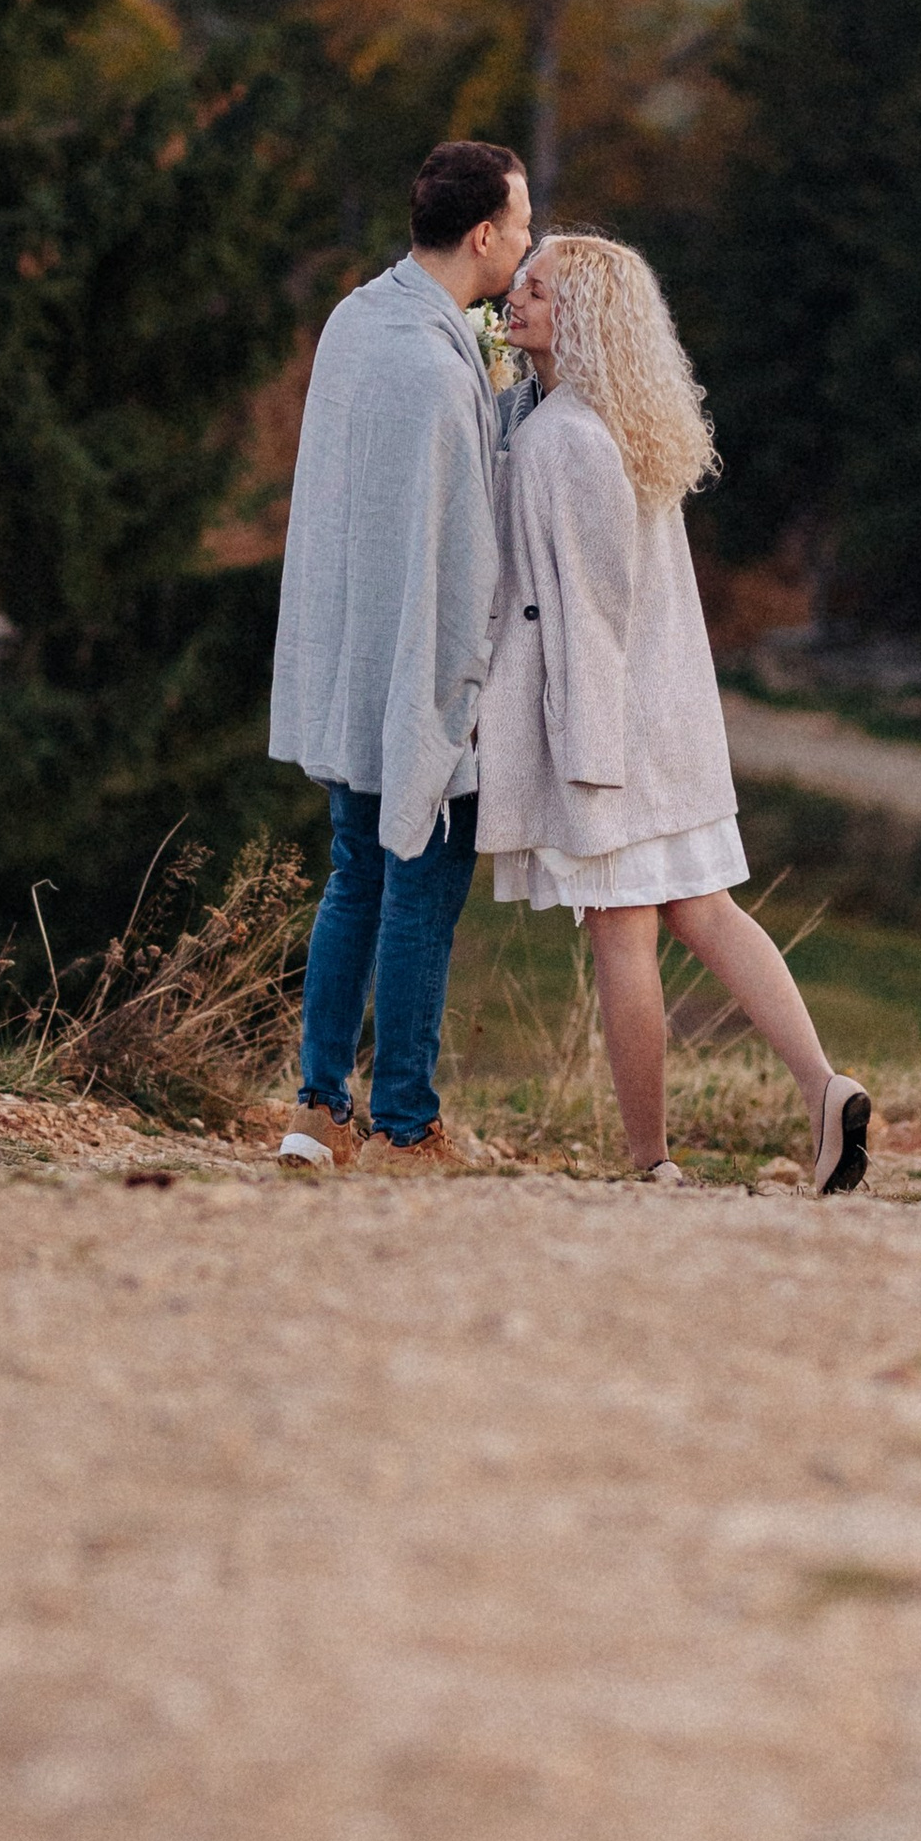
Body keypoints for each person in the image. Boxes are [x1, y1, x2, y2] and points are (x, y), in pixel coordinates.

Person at [477, 231, 871, 1195]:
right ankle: (825, 1086)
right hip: (667, 715)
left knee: (624, 931)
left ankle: (651, 1159)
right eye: (519, 281)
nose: (515, 294)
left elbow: (587, 609)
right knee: (706, 907)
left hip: (610, 727)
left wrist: (582, 751)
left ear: (584, 317)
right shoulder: (615, 420)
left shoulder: (559, 438)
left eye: (539, 287)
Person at [268, 139, 535, 1175]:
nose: (524, 240)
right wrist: (467, 692)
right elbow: (463, 554)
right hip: (418, 671)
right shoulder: (433, 365)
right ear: (481, 235)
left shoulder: (355, 318)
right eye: (518, 225)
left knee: (354, 877)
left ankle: (316, 1109)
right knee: (421, 889)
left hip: (353, 656)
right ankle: (404, 1123)